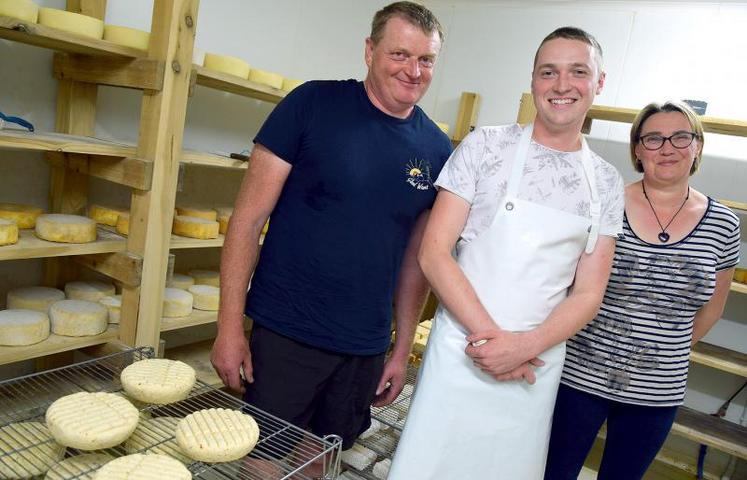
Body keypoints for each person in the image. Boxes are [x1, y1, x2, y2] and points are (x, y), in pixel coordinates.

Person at [209, 1, 451, 474]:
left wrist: (399, 348)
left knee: (321, 460)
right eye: (400, 54)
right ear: (369, 50)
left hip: (364, 344)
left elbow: (415, 262)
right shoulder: (311, 104)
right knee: (264, 464)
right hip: (288, 332)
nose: (413, 70)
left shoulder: (437, 149)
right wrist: (228, 326)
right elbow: (247, 221)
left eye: (426, 60)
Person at [388, 27, 625, 480]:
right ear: (533, 81)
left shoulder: (606, 181)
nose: (561, 85)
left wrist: (523, 347)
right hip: (462, 353)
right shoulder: (485, 147)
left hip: (533, 368)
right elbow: (434, 252)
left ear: (599, 82)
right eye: (548, 72)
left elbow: (589, 293)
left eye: (578, 72)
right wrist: (489, 339)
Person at [544, 101, 740, 480]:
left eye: (681, 136)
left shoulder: (724, 224)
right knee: (552, 473)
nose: (667, 148)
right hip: (579, 379)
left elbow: (713, 309)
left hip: (656, 394)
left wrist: (662, 351)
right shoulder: (605, 202)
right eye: (653, 138)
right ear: (637, 149)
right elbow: (567, 283)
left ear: (697, 145)